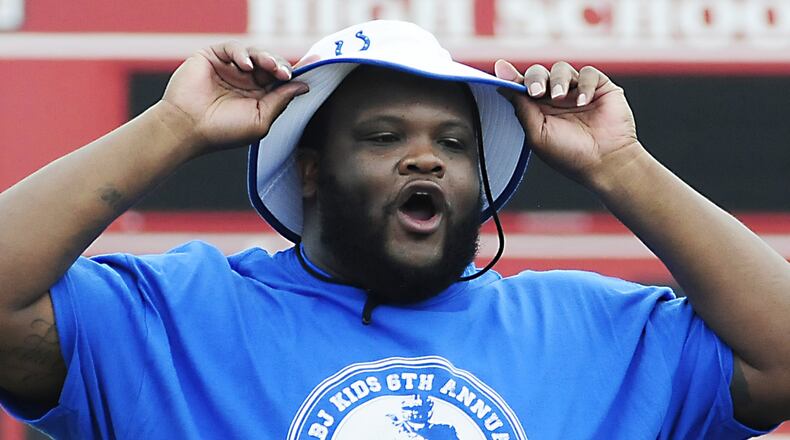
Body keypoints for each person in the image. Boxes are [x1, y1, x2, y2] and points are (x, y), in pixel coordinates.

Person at [0, 19, 787, 439]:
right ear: (309, 170)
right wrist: (172, 125)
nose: (427, 160)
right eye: (382, 138)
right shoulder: (173, 319)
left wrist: (620, 165)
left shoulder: (595, 332)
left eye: (453, 143)